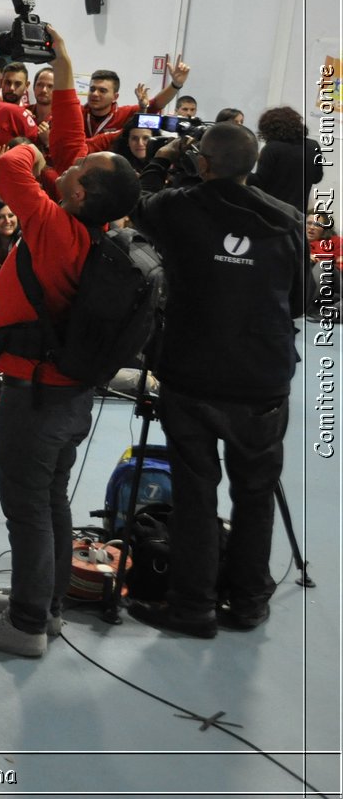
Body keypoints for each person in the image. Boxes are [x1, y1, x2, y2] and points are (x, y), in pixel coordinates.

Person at [0, 25, 141, 658]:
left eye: (80, 169)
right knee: (54, 504)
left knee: (27, 510)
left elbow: (14, 164)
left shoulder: (51, 225)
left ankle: (28, 625)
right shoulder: (93, 226)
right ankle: (51, 605)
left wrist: (33, 144)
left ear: (81, 190)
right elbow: (69, 143)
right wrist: (64, 69)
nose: (72, 163)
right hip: (69, 395)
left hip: (36, 398)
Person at [127, 122, 306, 636]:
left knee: (195, 494)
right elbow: (301, 301)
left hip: (192, 377)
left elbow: (137, 200)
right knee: (256, 490)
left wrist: (162, 159)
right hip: (262, 382)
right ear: (252, 166)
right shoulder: (289, 220)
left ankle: (193, 608)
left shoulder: (179, 206)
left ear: (203, 163)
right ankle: (248, 602)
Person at [249, 105, 323, 214]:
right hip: (297, 214)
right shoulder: (313, 146)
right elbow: (317, 178)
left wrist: (243, 171)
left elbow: (259, 182)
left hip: (272, 212)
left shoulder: (271, 148)